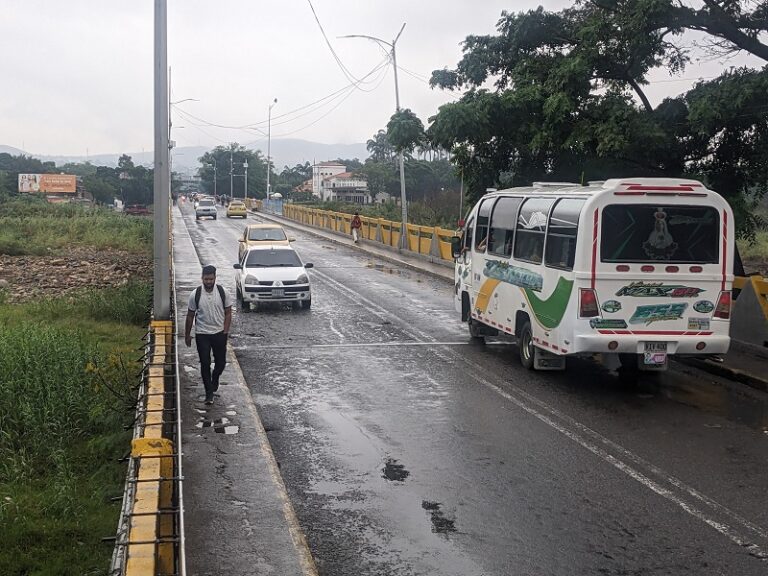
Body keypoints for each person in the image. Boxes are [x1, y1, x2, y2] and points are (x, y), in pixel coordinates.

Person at [184, 265, 232, 405]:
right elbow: (190, 315)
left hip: (219, 333)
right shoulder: (196, 294)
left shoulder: (223, 293)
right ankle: (209, 393)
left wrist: (226, 330)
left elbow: (228, 312)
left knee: (221, 363)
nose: (209, 282)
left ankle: (215, 377)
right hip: (202, 334)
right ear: (202, 278)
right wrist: (187, 335)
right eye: (206, 279)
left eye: (211, 279)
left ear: (215, 278)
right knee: (205, 363)